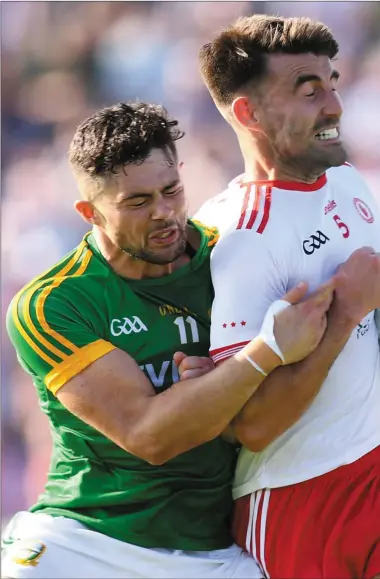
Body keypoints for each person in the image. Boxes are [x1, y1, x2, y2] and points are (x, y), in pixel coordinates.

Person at [2, 102, 334, 579]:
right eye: (136, 202)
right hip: (84, 541)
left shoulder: (234, 260)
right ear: (88, 212)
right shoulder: (52, 304)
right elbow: (149, 435)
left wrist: (220, 385)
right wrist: (266, 351)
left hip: (212, 551)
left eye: (172, 190)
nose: (163, 213)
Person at [195, 14, 380, 579]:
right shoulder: (237, 241)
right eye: (308, 91)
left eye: (332, 83)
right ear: (249, 113)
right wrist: (346, 311)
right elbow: (251, 424)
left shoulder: (346, 178)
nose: (334, 105)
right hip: (303, 500)